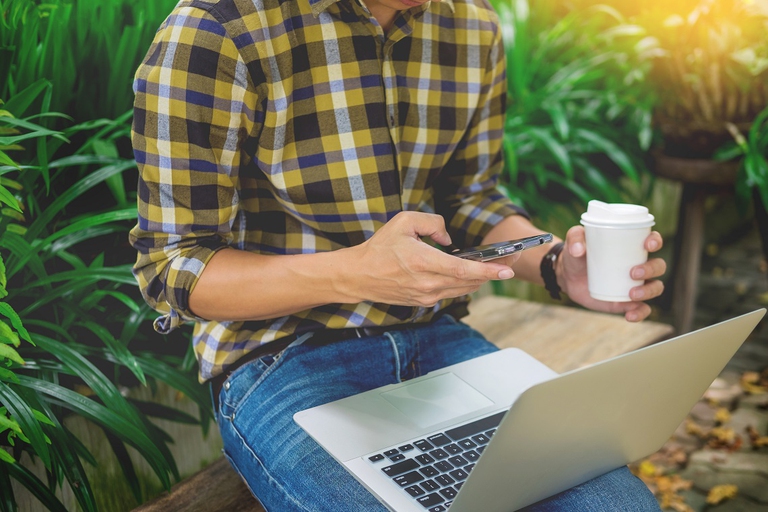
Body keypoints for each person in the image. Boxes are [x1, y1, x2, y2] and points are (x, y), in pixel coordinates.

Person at [129, 0, 667, 509]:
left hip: (438, 338)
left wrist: (554, 265)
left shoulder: (471, 24)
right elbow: (174, 267)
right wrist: (355, 275)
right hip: (281, 359)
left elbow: (470, 197)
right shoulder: (215, 31)